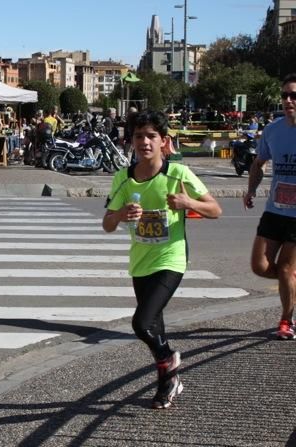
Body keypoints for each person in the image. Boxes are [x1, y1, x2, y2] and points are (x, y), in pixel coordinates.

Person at [102, 110, 221, 409]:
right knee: (155, 325)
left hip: (171, 258)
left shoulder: (178, 174)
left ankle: (168, 360)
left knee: (142, 324)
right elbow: (107, 223)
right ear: (131, 141)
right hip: (141, 260)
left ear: (164, 141)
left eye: (151, 136)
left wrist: (187, 202)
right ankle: (169, 383)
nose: (145, 142)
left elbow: (215, 209)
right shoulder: (124, 178)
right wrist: (120, 215)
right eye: (139, 136)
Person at [244, 73, 296, 340]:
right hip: (275, 209)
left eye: (293, 95)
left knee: (287, 267)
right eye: (285, 95)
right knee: (259, 266)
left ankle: (287, 321)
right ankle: (292, 285)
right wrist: (251, 189)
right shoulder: (273, 130)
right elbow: (258, 164)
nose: (288, 100)